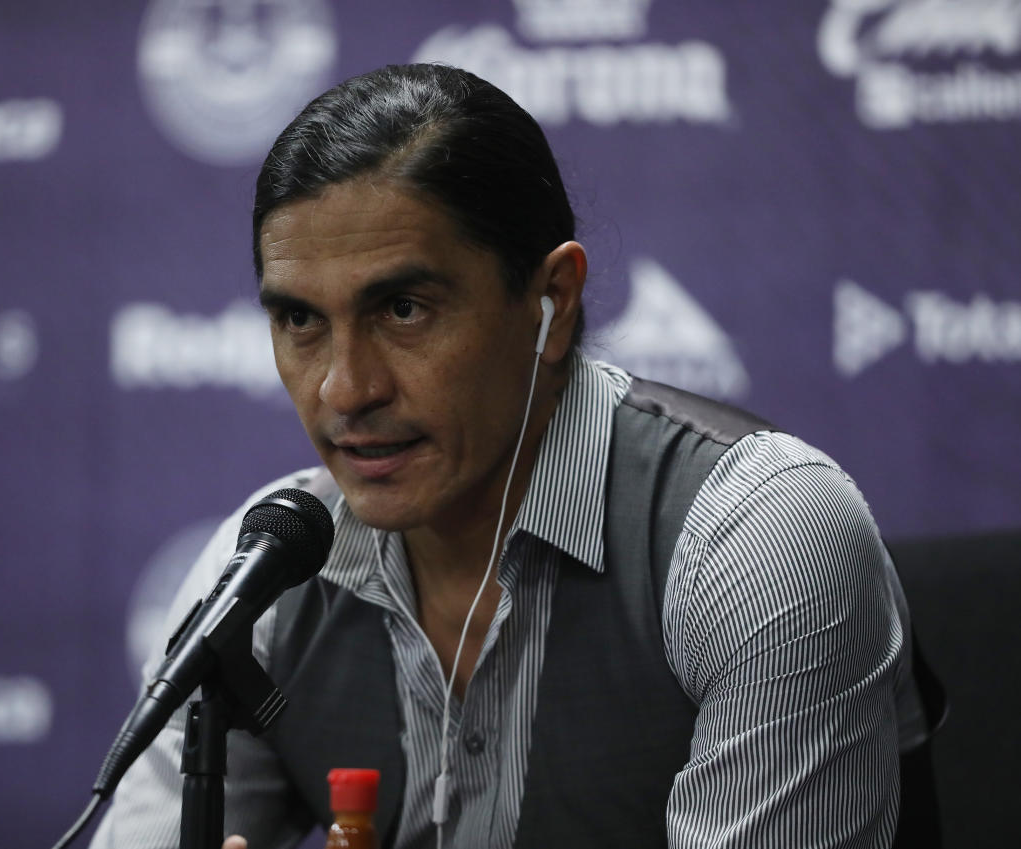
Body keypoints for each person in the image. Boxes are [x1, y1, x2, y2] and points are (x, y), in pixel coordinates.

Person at [90, 64, 933, 849]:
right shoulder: (264, 574)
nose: (344, 389)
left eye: (405, 308)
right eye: (301, 320)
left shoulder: (759, 537)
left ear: (551, 303)